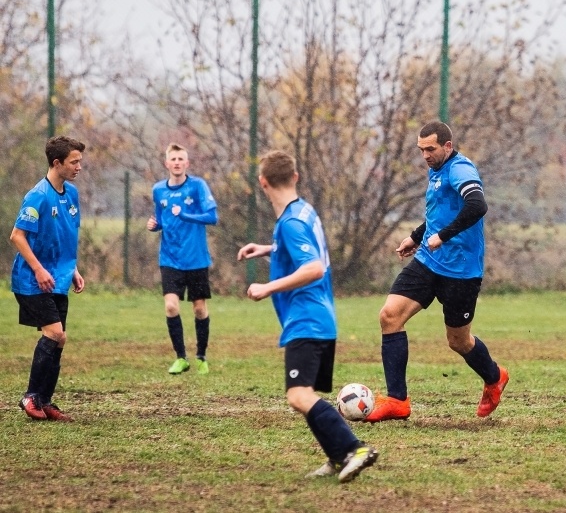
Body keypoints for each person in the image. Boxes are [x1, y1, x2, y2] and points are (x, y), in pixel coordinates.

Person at [237, 150, 378, 483]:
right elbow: (306, 248)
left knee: (298, 395)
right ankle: (337, 456)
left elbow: (313, 267)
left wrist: (268, 287)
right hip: (322, 317)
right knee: (305, 396)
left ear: (263, 182)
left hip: (307, 319)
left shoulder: (291, 222)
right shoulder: (303, 211)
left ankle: (354, 448)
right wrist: (268, 249)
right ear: (296, 177)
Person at [366, 120, 509, 423]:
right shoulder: (435, 171)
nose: (425, 155)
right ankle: (397, 401)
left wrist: (442, 236)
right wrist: (417, 237)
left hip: (461, 272)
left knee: (458, 341)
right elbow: (441, 211)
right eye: (421, 150)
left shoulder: (460, 169)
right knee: (389, 316)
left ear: (447, 146)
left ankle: (495, 377)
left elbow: (477, 206)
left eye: (430, 149)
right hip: (429, 263)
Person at [11, 135, 86, 422]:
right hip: (32, 280)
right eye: (74, 162)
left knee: (60, 339)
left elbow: (67, 237)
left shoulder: (72, 194)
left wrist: (74, 270)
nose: (79, 166)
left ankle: (45, 401)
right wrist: (39, 269)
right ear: (57, 163)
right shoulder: (37, 196)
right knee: (54, 333)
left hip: (60, 277)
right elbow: (17, 236)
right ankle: (31, 396)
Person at [147, 143, 218, 375]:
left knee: (199, 309)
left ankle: (201, 356)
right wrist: (154, 225)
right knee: (170, 306)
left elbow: (212, 217)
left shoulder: (197, 186)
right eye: (173, 159)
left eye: (181, 159)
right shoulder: (158, 190)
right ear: (167, 163)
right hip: (169, 258)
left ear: (187, 163)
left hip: (196, 258)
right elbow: (161, 219)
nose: (177, 163)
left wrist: (185, 214)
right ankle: (180, 358)